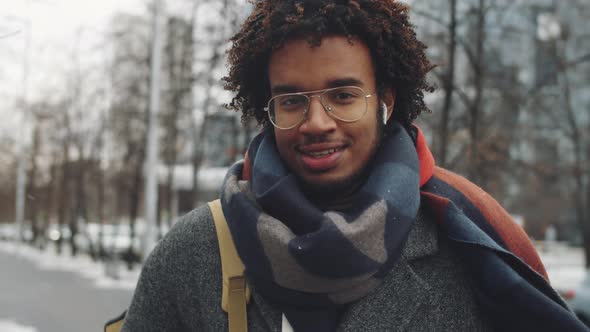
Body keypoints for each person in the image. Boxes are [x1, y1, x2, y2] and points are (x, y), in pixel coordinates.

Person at [121, 1, 587, 331]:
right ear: (268, 109)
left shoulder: (474, 245)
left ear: (385, 101)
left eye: (343, 95)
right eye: (292, 100)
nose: (317, 123)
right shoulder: (191, 254)